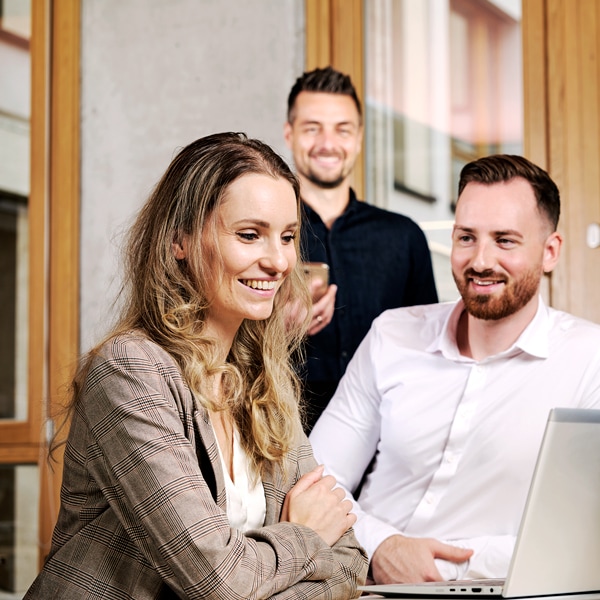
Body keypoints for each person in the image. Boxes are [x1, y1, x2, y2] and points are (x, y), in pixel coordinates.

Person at [24, 132, 368, 599]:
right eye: (250, 235)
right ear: (179, 241)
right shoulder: (129, 372)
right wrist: (306, 534)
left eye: (287, 236)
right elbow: (217, 582)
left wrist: (267, 572)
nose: (279, 260)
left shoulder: (262, 382)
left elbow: (349, 563)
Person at [309, 154, 600, 584]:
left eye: (505, 240)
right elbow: (316, 476)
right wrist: (380, 547)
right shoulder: (392, 335)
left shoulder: (589, 359)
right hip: (360, 587)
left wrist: (443, 568)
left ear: (550, 251)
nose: (480, 260)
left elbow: (582, 534)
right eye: (466, 237)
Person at [283, 66, 438, 432]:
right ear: (289, 134)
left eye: (342, 129)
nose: (327, 143)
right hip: (283, 440)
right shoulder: (264, 237)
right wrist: (279, 331)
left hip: (387, 444)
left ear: (359, 137)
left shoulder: (404, 237)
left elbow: (430, 353)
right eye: (312, 128)